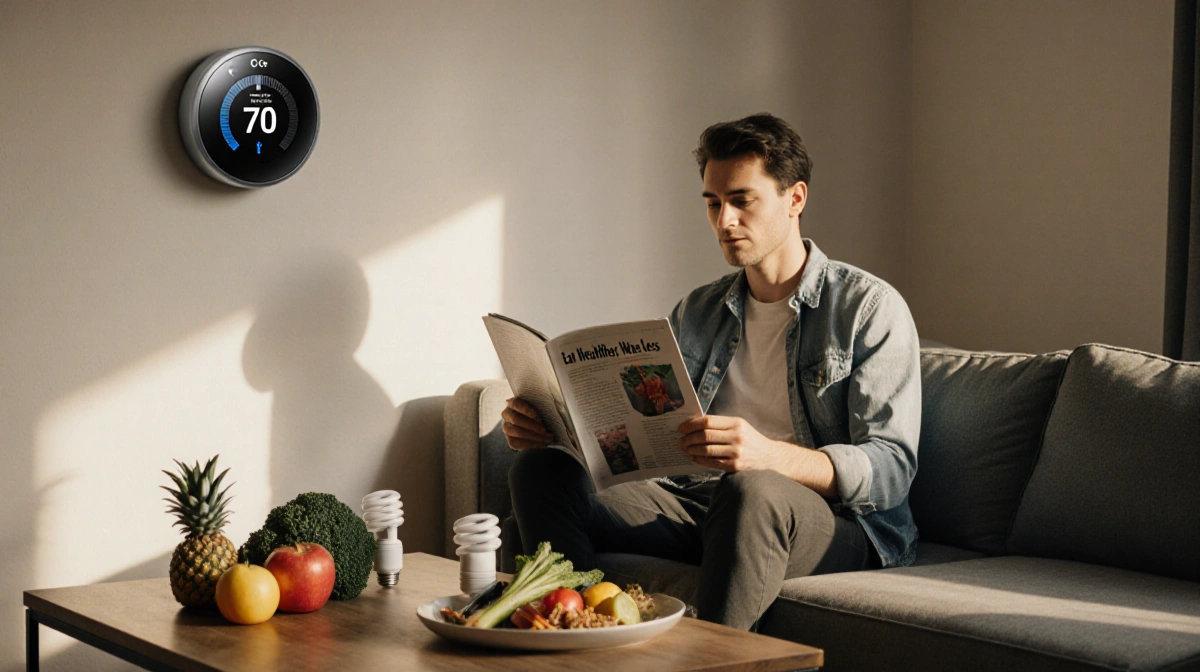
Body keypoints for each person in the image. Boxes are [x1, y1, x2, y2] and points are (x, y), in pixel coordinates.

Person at [503, 113, 921, 630]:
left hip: (834, 522)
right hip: (702, 502)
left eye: (742, 200)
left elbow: (891, 467)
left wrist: (767, 456)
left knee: (751, 488)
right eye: (713, 203)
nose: (724, 221)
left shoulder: (867, 308)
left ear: (795, 199)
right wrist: (558, 430)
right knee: (541, 470)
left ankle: (717, 662)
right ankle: (581, 638)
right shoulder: (697, 311)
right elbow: (654, 439)